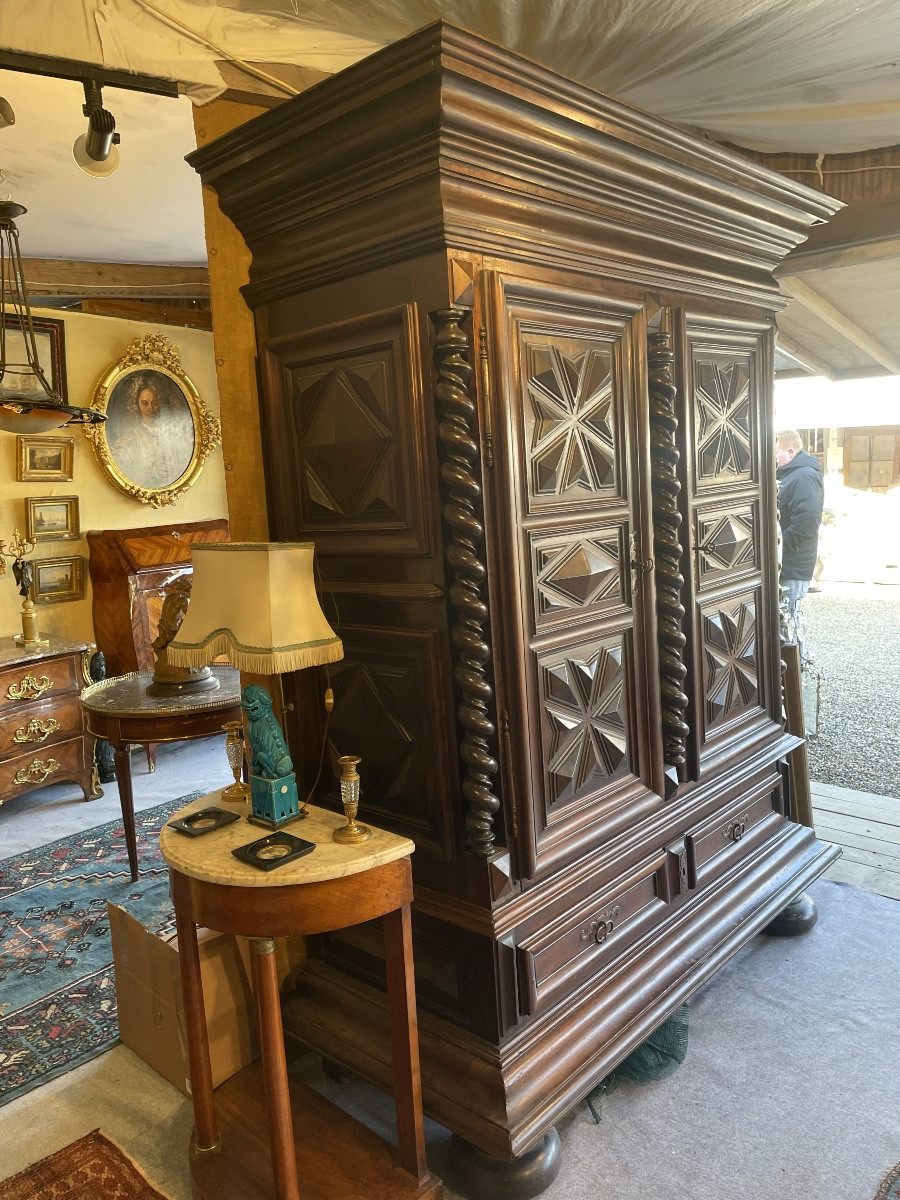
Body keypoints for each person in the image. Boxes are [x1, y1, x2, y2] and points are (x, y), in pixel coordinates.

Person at [775, 429, 824, 648]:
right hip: (785, 564)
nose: (772, 457)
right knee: (783, 623)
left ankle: (793, 678)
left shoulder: (804, 476)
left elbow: (806, 523)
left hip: (792, 566)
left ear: (790, 451)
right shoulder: (788, 475)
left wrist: (778, 553)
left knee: (789, 626)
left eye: (775, 452)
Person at [110, 375, 193, 489]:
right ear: (137, 405)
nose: (151, 408)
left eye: (154, 403)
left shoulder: (173, 435)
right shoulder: (131, 438)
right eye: (145, 403)